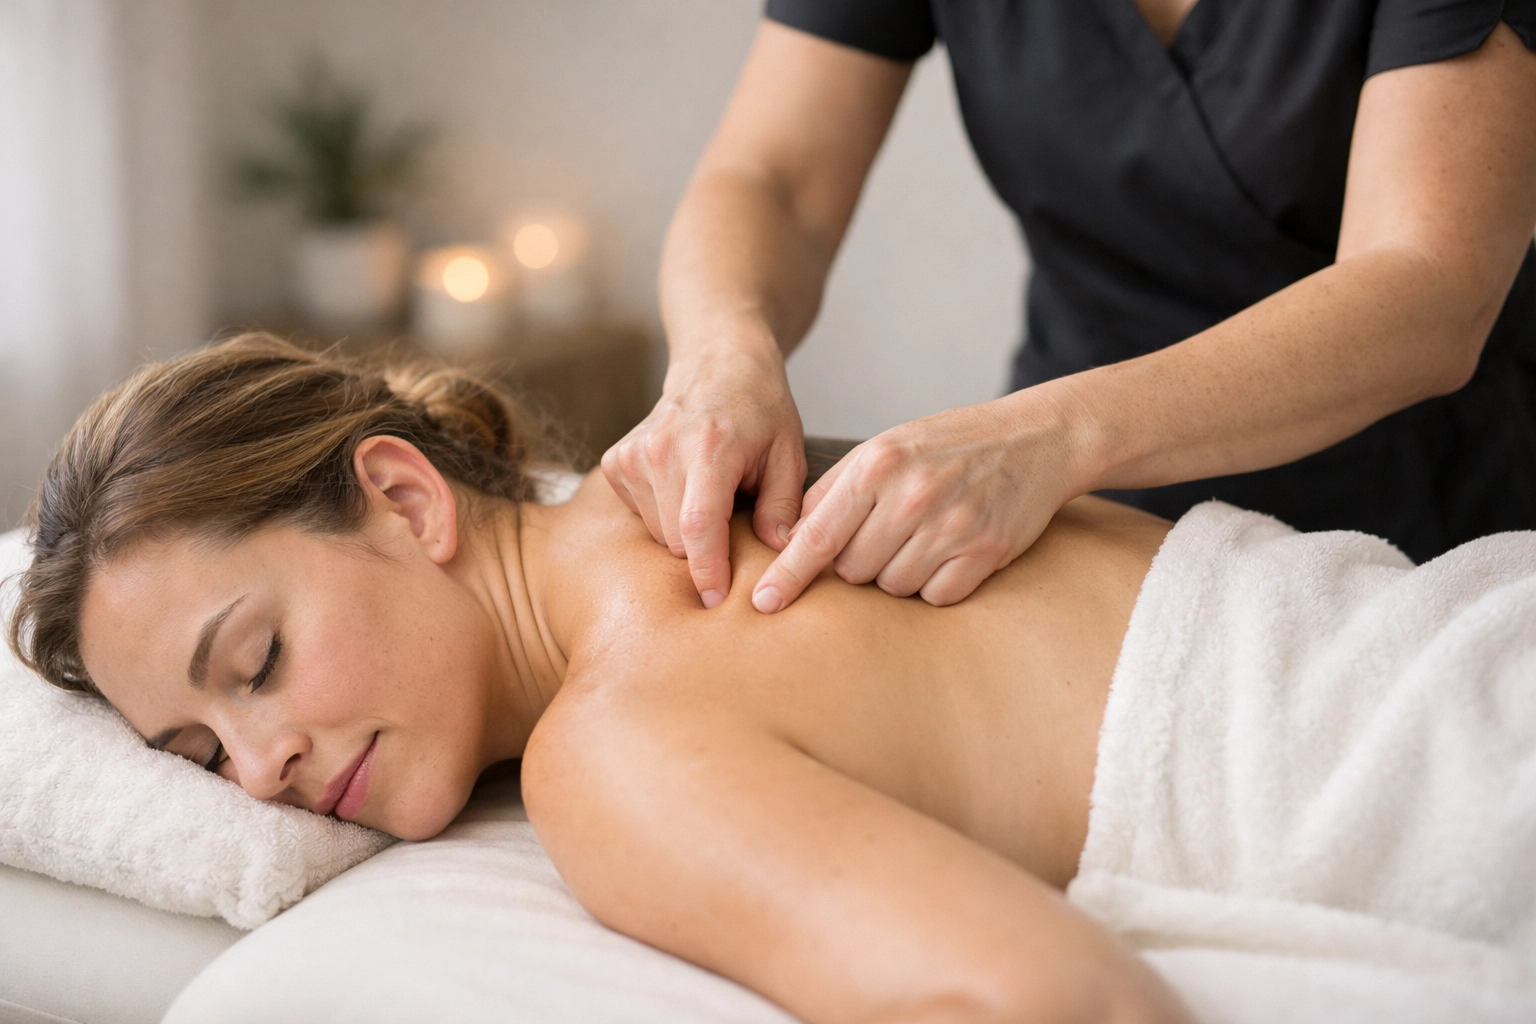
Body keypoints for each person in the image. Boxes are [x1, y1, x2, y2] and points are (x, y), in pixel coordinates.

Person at [10, 337, 1535, 1022]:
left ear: (407, 502)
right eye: (201, 754)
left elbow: (1047, 1007)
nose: (262, 764)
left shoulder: (614, 748)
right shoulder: (733, 487)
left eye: (257, 664)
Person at [602, 1, 1536, 617]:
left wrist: (1053, 436)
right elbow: (774, 180)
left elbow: (1427, 284)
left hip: (1436, 524)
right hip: (1086, 525)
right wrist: (721, 354)